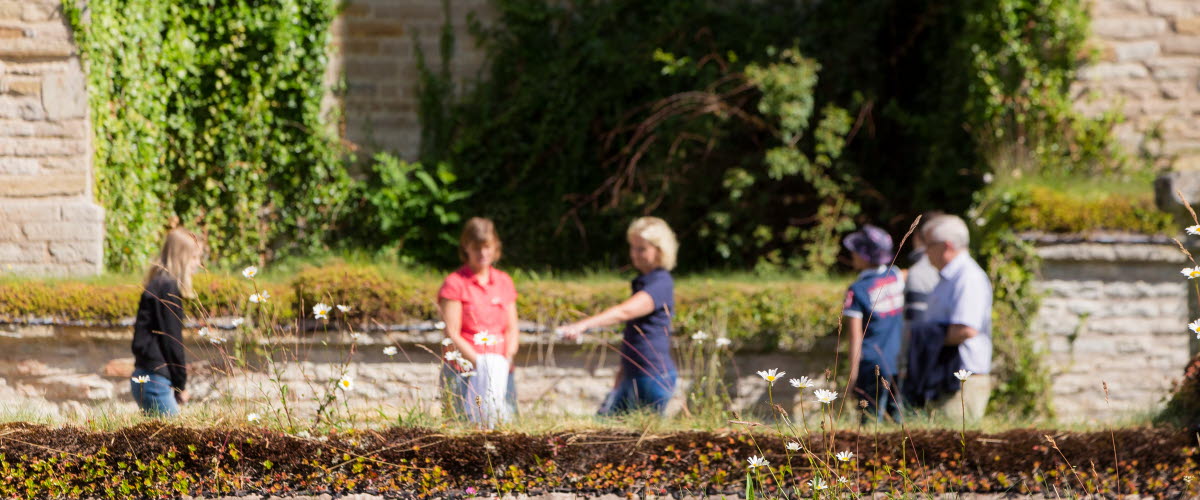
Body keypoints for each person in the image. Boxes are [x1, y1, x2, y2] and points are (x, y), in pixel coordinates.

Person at [559, 217, 678, 415]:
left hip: (652, 377)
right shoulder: (644, 281)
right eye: (633, 247)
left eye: (642, 249)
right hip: (634, 374)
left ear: (660, 250)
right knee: (604, 425)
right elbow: (634, 334)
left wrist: (582, 325)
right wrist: (620, 379)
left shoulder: (661, 283)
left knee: (638, 438)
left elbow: (625, 311)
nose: (635, 254)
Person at [905, 214, 993, 420]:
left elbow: (966, 329)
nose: (925, 252)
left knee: (957, 448)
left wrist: (919, 335)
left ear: (946, 246)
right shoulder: (948, 277)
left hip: (962, 379)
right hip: (946, 375)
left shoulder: (967, 277)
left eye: (929, 245)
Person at [438, 217, 519, 427]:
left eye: (487, 247)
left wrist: (505, 360)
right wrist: (481, 365)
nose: (482, 253)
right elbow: (452, 333)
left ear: (495, 247)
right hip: (464, 370)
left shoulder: (504, 281)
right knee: (462, 429)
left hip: (501, 371)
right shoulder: (455, 283)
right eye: (476, 248)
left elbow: (512, 329)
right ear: (466, 247)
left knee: (506, 428)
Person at [130, 227, 204, 417]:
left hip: (144, 376)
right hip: (156, 382)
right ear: (182, 257)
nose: (197, 264)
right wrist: (180, 385)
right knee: (175, 444)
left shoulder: (156, 284)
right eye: (194, 258)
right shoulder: (168, 288)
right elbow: (172, 341)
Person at [841, 224, 906, 423]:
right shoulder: (896, 276)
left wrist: (851, 380)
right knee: (901, 424)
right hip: (898, 362)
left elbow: (855, 339)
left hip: (871, 367)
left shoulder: (857, 290)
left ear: (864, 256)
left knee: (870, 427)